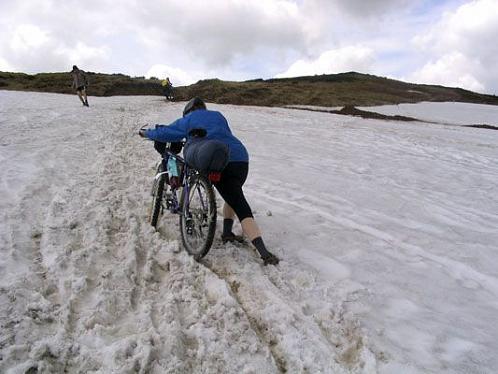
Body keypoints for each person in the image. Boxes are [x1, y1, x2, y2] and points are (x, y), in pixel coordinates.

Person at [139, 98, 279, 265]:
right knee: (233, 195)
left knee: (240, 204)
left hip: (220, 162)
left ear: (188, 111)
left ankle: (264, 253)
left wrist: (147, 133)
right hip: (241, 159)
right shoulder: (218, 115)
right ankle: (227, 233)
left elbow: (167, 132)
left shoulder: (190, 119)